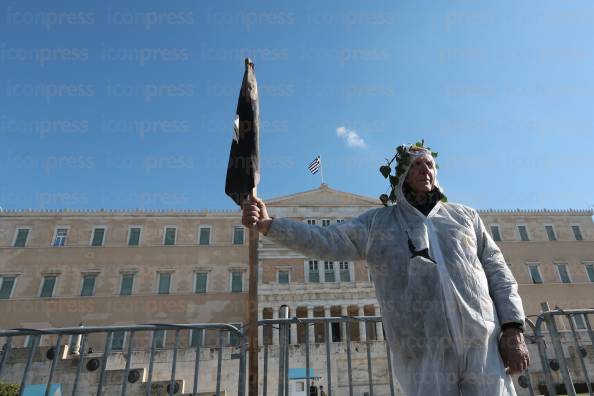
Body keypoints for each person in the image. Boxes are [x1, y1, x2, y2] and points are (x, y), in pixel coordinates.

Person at [242, 144, 530, 396]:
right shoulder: (377, 224)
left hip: (483, 345)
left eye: (429, 164)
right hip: (421, 351)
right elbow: (327, 240)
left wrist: (513, 328)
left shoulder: (465, 217)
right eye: (415, 165)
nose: (424, 170)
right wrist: (271, 226)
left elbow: (498, 271)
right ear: (401, 175)